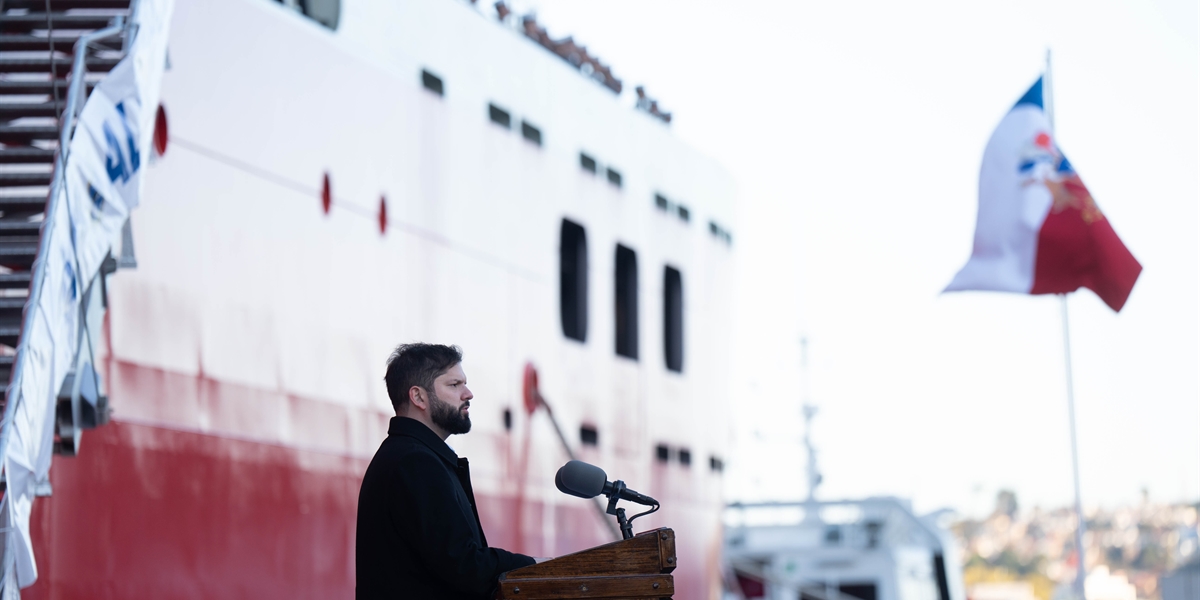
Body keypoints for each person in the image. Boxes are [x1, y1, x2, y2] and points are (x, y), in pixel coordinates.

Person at [356, 343, 536, 599]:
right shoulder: (415, 462)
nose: (468, 394)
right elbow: (464, 566)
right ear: (418, 397)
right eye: (454, 385)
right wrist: (535, 566)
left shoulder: (406, 455)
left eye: (464, 384)